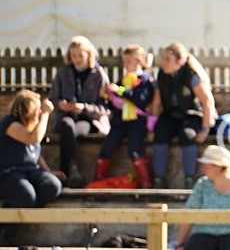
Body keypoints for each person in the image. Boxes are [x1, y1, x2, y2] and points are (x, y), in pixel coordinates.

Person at [0, 90, 65, 242]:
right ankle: (6, 234)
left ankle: (16, 210)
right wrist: (46, 115)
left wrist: (48, 171)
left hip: (30, 170)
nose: (39, 112)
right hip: (10, 172)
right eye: (36, 109)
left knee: (52, 186)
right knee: (27, 196)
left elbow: (36, 153)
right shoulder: (9, 124)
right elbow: (32, 139)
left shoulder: (32, 126)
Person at [150, 42, 216, 189]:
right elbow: (156, 103)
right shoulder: (162, 76)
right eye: (163, 58)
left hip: (190, 115)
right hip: (170, 114)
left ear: (179, 62)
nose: (164, 62)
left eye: (168, 59)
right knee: (160, 134)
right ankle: (159, 179)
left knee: (187, 135)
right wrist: (151, 128)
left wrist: (205, 129)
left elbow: (207, 102)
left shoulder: (190, 76)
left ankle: (189, 180)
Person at [48, 35, 110, 187]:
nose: (77, 59)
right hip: (67, 116)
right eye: (73, 55)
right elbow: (53, 99)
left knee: (71, 131)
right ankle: (72, 169)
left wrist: (84, 108)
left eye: (80, 55)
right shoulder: (63, 73)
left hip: (89, 119)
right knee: (67, 125)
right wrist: (61, 105)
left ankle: (66, 173)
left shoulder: (98, 74)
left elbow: (106, 108)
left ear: (88, 54)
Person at [95, 44, 155, 188]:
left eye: (129, 61)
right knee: (107, 149)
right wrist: (106, 96)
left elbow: (141, 100)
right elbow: (114, 105)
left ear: (139, 61)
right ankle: (98, 181)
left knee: (134, 150)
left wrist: (121, 91)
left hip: (137, 123)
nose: (125, 64)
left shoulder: (145, 80)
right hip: (119, 122)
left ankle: (146, 183)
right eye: (124, 61)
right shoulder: (123, 80)